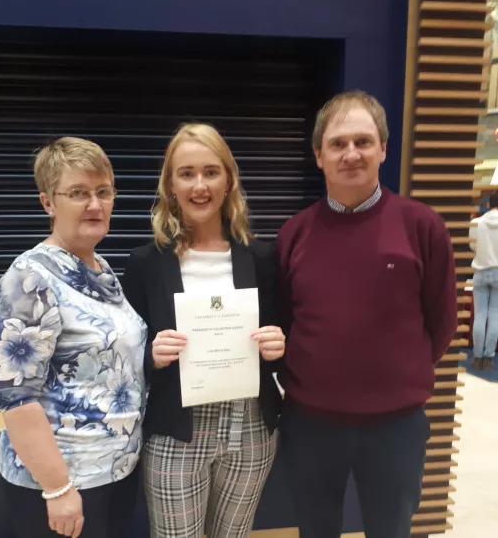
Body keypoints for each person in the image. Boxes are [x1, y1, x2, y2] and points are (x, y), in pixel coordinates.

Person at [276, 91, 457, 538]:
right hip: (310, 423)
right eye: (338, 144)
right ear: (319, 156)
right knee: (315, 530)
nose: (351, 154)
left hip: (395, 427)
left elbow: (442, 321)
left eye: (363, 141)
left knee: (390, 530)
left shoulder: (422, 226)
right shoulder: (294, 234)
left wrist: (397, 377)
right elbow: (282, 321)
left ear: (382, 150)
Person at [122, 123, 285, 538]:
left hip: (250, 426)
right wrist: (149, 355)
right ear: (170, 185)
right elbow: (123, 356)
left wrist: (279, 343)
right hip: (176, 429)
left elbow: (287, 331)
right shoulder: (145, 263)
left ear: (228, 180)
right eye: (187, 173)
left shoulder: (262, 257)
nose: (200, 185)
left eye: (211, 172)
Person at [0, 137, 147, 538]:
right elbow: (16, 398)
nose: (95, 204)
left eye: (103, 192)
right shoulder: (30, 280)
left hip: (113, 470)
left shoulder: (100, 270)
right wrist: (58, 488)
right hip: (62, 484)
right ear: (48, 203)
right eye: (78, 193)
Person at [469, 190, 498, 371]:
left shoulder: (476, 222)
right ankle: (488, 358)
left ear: (488, 204)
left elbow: (472, 245)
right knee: (495, 315)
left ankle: (477, 357)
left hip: (480, 269)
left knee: (480, 315)